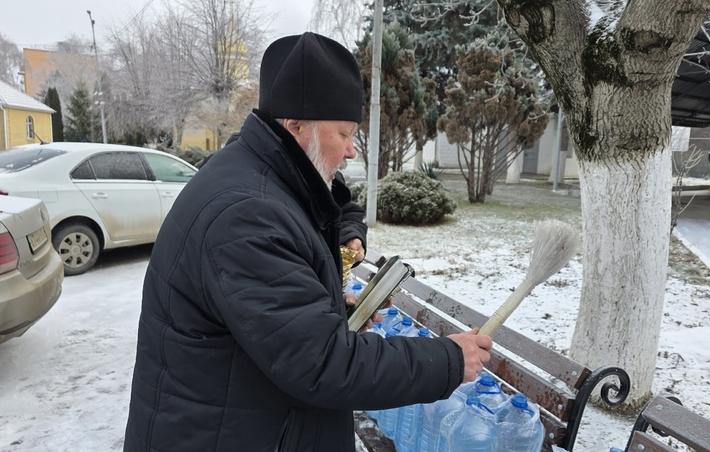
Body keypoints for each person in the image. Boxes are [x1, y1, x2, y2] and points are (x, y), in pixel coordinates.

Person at [123, 32, 492, 452]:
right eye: (345, 133)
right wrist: (448, 361)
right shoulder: (247, 214)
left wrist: (333, 310)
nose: (352, 151)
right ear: (296, 125)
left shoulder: (260, 178)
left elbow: (271, 320)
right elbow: (322, 364)